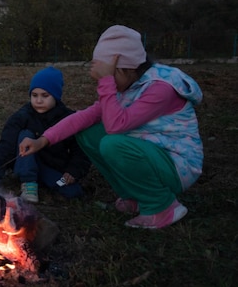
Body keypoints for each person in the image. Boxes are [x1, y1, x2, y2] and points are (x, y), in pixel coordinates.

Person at [19, 25, 203, 229]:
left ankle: (162, 207)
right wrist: (42, 140)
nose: (107, 84)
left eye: (110, 76)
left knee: (112, 143)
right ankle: (133, 196)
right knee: (89, 133)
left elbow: (116, 126)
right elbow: (85, 117)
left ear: (127, 68)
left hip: (177, 165)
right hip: (148, 152)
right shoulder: (129, 84)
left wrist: (106, 82)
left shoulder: (161, 89)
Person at [0, 67, 91, 203]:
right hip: (26, 163)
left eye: (45, 96)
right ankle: (28, 183)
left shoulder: (68, 119)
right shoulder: (22, 116)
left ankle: (45, 183)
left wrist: (74, 171)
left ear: (56, 96)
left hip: (50, 166)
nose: (39, 101)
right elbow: (6, 145)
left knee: (73, 191)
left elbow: (80, 149)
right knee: (25, 135)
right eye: (35, 95)